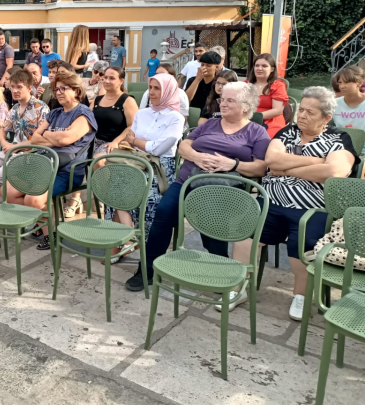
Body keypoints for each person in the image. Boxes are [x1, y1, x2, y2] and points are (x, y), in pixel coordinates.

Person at [124, 82, 270, 292]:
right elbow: (184, 145)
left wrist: (233, 164)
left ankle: (221, 272)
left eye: (230, 100)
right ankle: (147, 270)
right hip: (187, 181)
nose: (223, 104)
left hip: (222, 188)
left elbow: (261, 167)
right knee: (163, 214)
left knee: (211, 223)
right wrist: (196, 156)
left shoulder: (256, 132)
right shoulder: (211, 124)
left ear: (246, 106)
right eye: (222, 99)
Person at [227, 87, 358, 320]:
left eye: (310, 112)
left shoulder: (339, 138)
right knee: (244, 230)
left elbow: (335, 172)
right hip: (271, 201)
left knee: (304, 241)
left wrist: (287, 169)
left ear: (326, 117)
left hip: (312, 207)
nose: (302, 115)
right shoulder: (287, 132)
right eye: (301, 110)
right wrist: (317, 162)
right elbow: (272, 160)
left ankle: (300, 295)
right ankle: (239, 288)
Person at [21, 69, 97, 250]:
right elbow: (35, 138)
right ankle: (41, 224)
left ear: (76, 90)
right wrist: (55, 137)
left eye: (64, 88)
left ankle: (50, 234)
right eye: (56, 89)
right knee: (8, 192)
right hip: (45, 164)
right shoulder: (55, 113)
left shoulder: (83, 114)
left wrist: (48, 134)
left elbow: (64, 140)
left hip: (67, 171)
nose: (59, 92)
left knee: (33, 200)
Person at [111, 75, 185, 250]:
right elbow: (130, 142)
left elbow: (159, 149)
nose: (151, 92)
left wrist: (136, 141)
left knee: (143, 192)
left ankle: (134, 240)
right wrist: (135, 143)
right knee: (113, 183)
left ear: (168, 91)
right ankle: (129, 238)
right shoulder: (142, 113)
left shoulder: (176, 118)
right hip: (137, 160)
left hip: (159, 167)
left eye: (157, 88)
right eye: (150, 87)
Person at [0, 69, 49, 198]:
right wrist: (4, 143)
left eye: (19, 87)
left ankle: (2, 199)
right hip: (10, 150)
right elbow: (2, 130)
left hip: (30, 153)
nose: (15, 90)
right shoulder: (15, 108)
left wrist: (14, 147)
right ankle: (1, 197)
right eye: (13, 87)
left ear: (29, 88)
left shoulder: (41, 108)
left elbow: (41, 139)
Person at [86, 65, 138, 222]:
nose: (106, 81)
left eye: (111, 78)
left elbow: (132, 126)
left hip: (116, 143)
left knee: (99, 161)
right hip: (94, 140)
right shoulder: (97, 100)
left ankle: (106, 198)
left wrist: (116, 141)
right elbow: (87, 121)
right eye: (105, 77)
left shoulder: (127, 100)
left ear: (121, 81)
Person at [248, 53, 288, 137]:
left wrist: (257, 116)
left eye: (264, 66)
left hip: (272, 121)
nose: (259, 68)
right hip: (247, 119)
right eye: (257, 65)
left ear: (272, 69)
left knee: (262, 138)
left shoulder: (278, 85)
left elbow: (277, 110)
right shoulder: (246, 84)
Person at [333, 66, 365, 131]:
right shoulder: (334, 103)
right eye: (340, 83)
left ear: (360, 83)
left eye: (346, 82)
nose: (342, 86)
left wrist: (357, 133)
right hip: (340, 137)